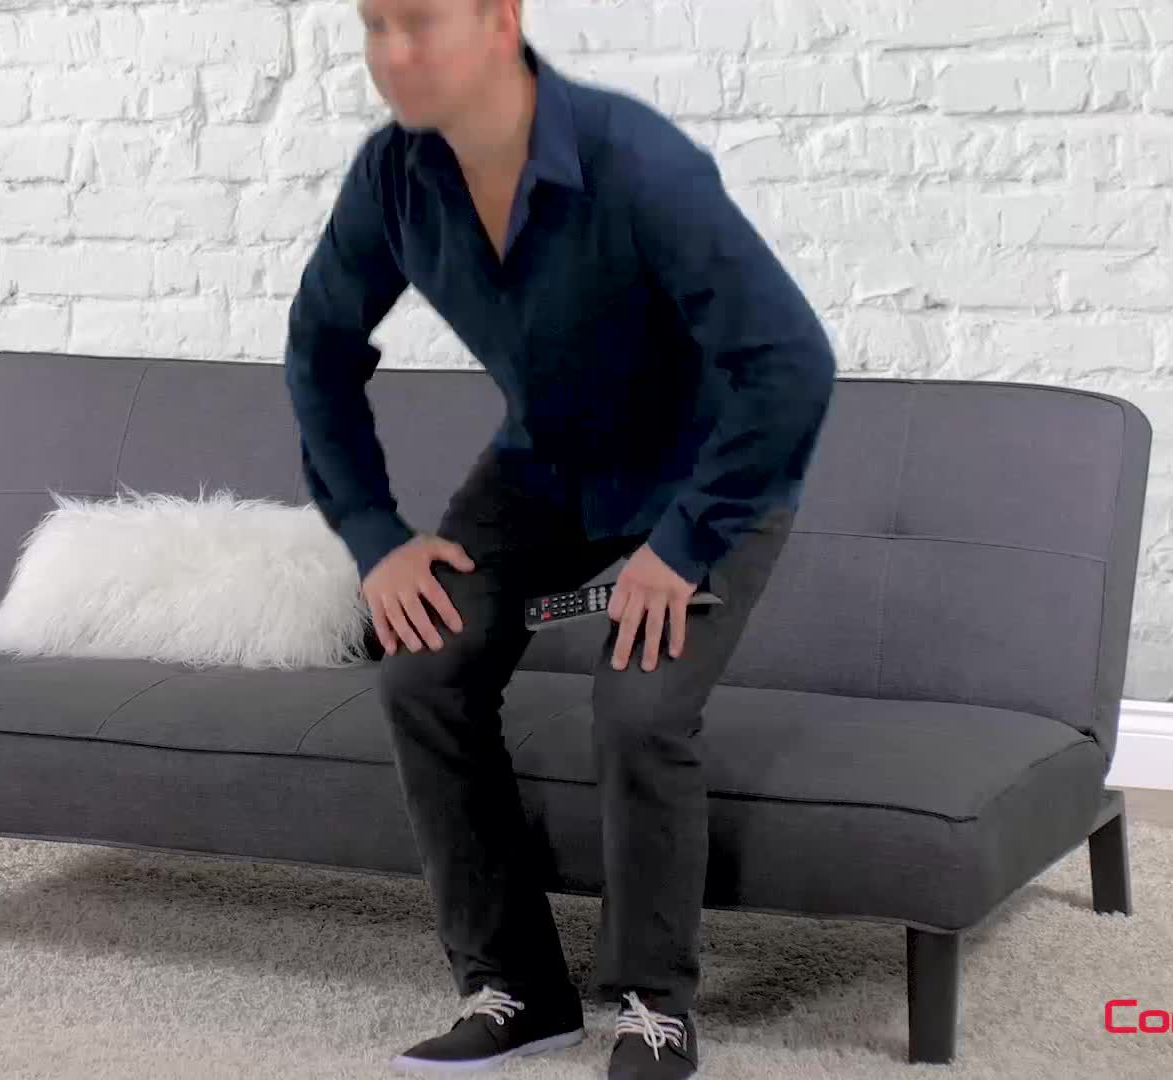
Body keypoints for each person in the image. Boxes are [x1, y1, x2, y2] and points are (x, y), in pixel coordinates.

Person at [282, 1, 837, 1076]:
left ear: (501, 20)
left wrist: (683, 545)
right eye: (375, 25)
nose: (393, 54)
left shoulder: (637, 160)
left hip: (709, 476)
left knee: (639, 705)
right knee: (423, 668)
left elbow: (790, 364)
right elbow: (319, 344)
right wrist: (374, 534)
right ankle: (517, 989)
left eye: (420, 22)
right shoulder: (394, 176)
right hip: (543, 470)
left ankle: (652, 1004)